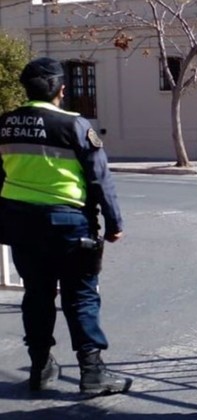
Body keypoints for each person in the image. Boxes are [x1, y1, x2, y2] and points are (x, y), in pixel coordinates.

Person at [0, 57, 132, 396]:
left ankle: (40, 367)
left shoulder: (5, 124)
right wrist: (114, 223)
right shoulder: (74, 125)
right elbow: (99, 178)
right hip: (69, 224)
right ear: (61, 89)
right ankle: (92, 372)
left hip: (21, 224)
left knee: (37, 295)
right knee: (81, 296)